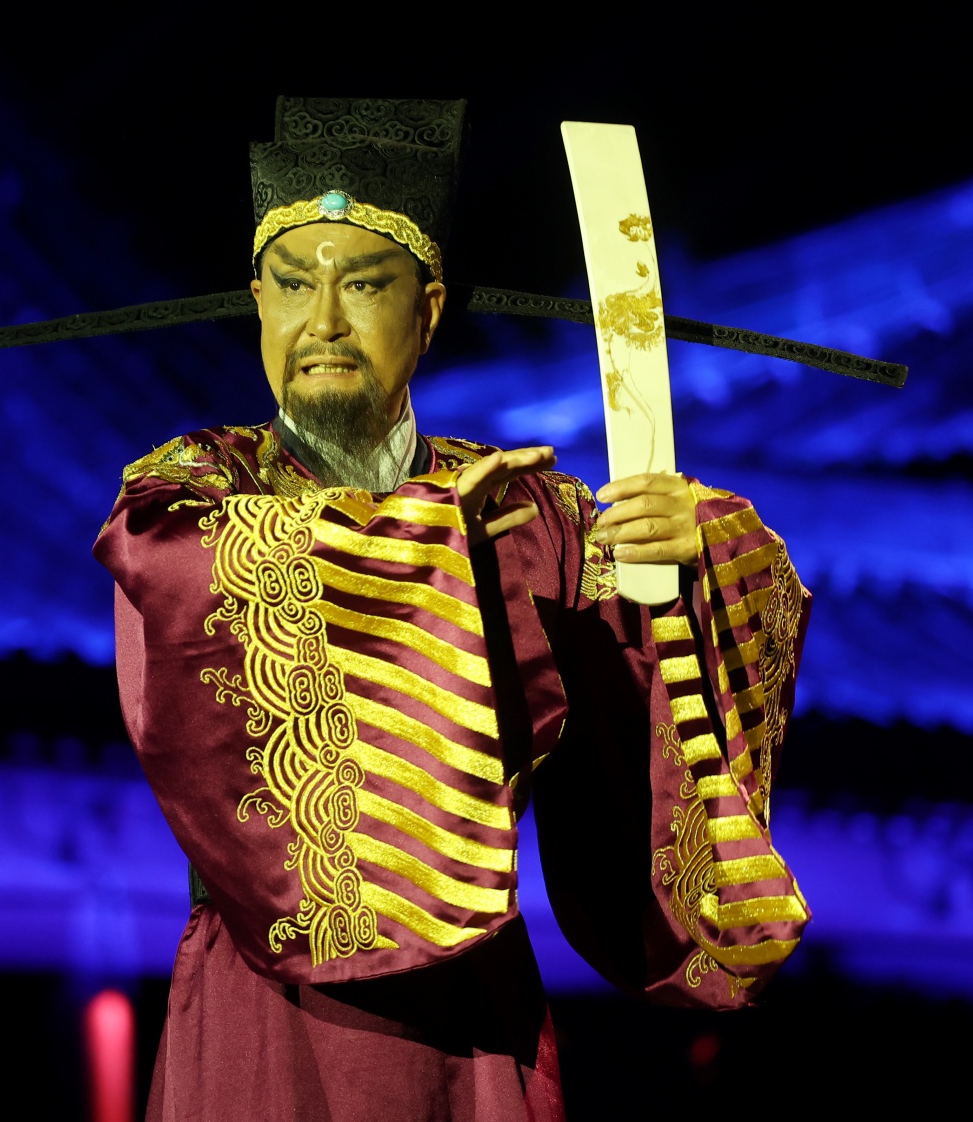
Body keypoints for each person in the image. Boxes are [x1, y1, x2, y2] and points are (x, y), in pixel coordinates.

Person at [94, 98, 810, 1121]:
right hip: (263, 1000)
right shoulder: (194, 490)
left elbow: (637, 702)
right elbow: (186, 581)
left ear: (427, 311)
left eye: (363, 285)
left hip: (472, 1010)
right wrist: (431, 543)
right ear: (257, 304)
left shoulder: (529, 511)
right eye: (292, 285)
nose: (323, 321)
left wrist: (688, 558)